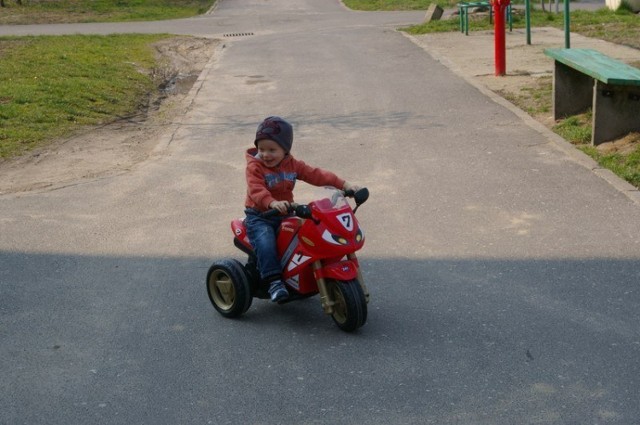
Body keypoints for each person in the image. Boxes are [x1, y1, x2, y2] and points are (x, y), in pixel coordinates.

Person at [244, 116, 359, 302]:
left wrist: (344, 185)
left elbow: (316, 175)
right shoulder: (255, 167)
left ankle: (302, 274)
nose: (265, 154)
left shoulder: (293, 165)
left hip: (286, 212)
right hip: (261, 215)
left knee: (309, 236)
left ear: (285, 150)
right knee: (266, 242)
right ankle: (274, 282)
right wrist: (272, 203)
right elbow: (256, 189)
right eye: (261, 149)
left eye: (272, 149)